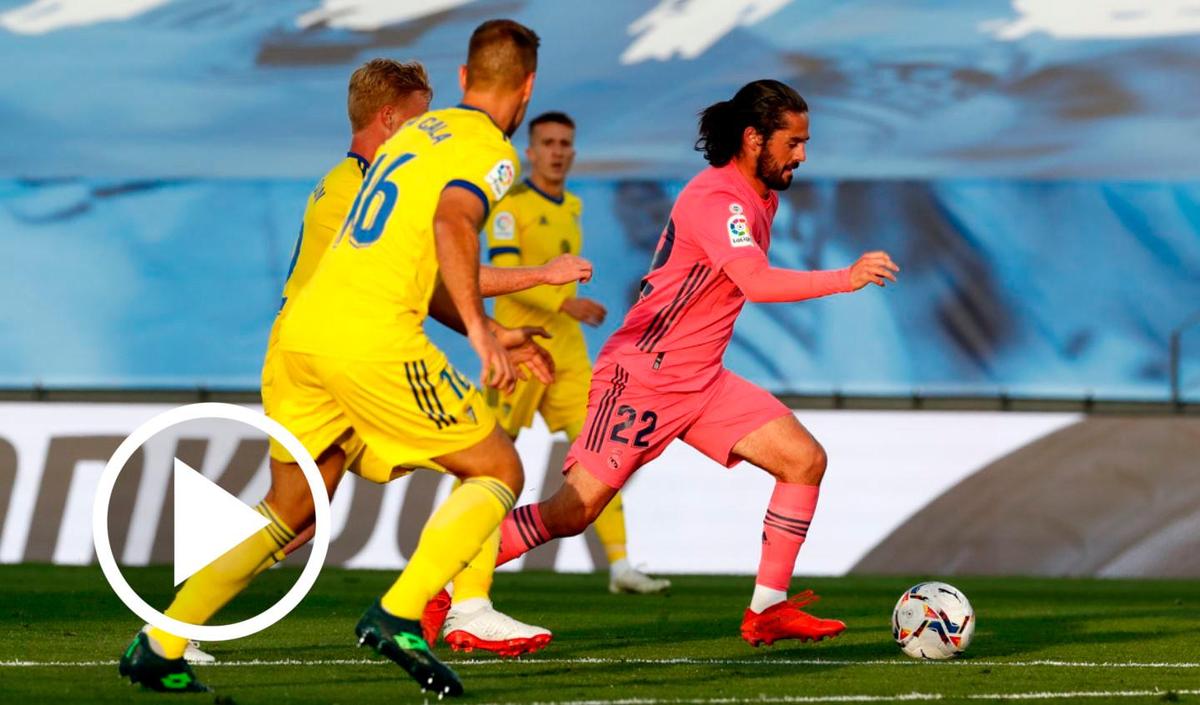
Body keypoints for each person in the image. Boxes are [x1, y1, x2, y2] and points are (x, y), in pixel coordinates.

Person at [120, 20, 551, 697]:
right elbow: (453, 224)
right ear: (527, 89)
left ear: (464, 80)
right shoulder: (491, 151)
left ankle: (160, 641)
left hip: (302, 332)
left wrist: (485, 317)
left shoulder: (413, 136)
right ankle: (400, 612)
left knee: (290, 509)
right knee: (499, 467)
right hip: (369, 336)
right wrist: (480, 329)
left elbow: (411, 252)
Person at [488, 80, 900, 647]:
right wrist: (844, 278)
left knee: (803, 460)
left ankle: (767, 608)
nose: (803, 154)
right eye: (794, 142)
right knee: (571, 513)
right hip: (643, 377)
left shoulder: (762, 197)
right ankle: (441, 586)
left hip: (701, 379)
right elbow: (753, 281)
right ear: (754, 138)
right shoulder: (717, 200)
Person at [480, 111, 669, 597]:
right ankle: (463, 561)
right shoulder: (509, 207)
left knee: (603, 456)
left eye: (565, 143)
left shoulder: (573, 206)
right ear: (531, 151)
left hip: (568, 358)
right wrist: (568, 302)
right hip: (520, 355)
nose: (557, 151)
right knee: (485, 465)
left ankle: (622, 565)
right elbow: (503, 277)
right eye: (548, 143)